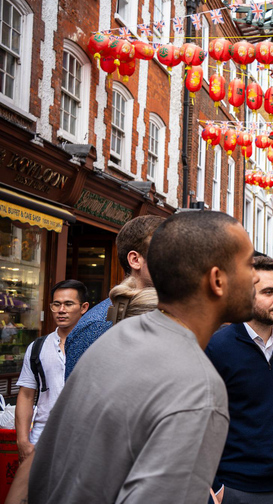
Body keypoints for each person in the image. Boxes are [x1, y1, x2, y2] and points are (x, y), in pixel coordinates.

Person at [27, 211, 258, 504]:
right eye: (249, 264)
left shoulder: (114, 338)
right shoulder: (197, 387)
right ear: (217, 280)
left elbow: (47, 465)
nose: (256, 276)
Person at [205, 255, 273, 504]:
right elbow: (203, 420)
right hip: (236, 487)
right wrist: (215, 485)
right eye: (268, 292)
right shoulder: (216, 347)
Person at [64, 214, 164, 379]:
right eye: (166, 253)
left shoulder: (171, 313)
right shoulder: (97, 325)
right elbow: (80, 398)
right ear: (135, 260)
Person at [16, 280, 89, 462]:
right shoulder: (38, 347)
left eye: (68, 304)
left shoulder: (95, 346)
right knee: (33, 489)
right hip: (42, 436)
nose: (61, 310)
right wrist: (23, 440)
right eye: (56, 304)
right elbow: (26, 395)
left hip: (83, 437)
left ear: (84, 307)